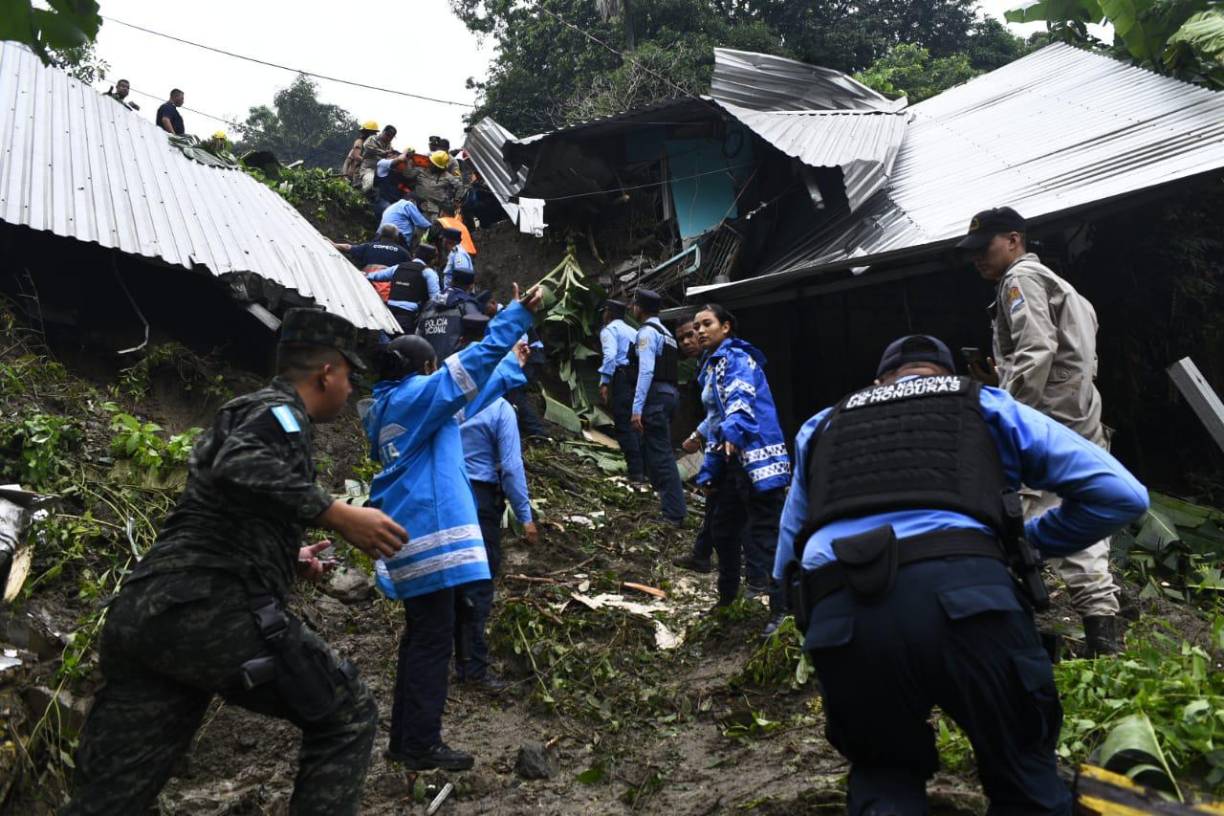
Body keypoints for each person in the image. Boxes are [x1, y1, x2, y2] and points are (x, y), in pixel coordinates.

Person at [775, 334, 1149, 813]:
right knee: (1024, 775)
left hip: (841, 614)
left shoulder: (821, 426)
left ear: (878, 383)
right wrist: (1025, 547)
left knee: (882, 776)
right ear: (949, 376)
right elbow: (1123, 495)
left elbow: (787, 560)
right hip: (969, 599)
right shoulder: (984, 403)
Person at [64, 309, 410, 816]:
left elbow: (217, 506)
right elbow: (240, 465)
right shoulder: (280, 414)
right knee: (348, 713)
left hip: (146, 613)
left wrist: (283, 556)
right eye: (351, 378)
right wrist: (337, 513)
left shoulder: (244, 411)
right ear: (328, 372)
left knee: (113, 794)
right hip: (205, 609)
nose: (352, 390)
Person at [363, 284, 542, 771]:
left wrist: (511, 363)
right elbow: (468, 369)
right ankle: (420, 744)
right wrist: (515, 318)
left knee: (422, 637)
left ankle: (407, 740)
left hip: (409, 537)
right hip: (428, 539)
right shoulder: (415, 398)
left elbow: (470, 391)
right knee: (432, 642)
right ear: (420, 372)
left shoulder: (388, 407)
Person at [958, 206, 1124, 656]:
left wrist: (1008, 414)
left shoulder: (1021, 280)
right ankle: (1104, 623)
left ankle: (1032, 630)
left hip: (1048, 421)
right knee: (1079, 512)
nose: (977, 259)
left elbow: (1036, 350)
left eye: (984, 248)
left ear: (1013, 240)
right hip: (1078, 414)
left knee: (1021, 517)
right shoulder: (1060, 285)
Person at [687, 305, 790, 635]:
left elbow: (741, 399)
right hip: (731, 457)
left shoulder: (737, 359)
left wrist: (733, 431)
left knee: (765, 533)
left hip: (756, 454)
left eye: (708, 324)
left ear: (726, 327)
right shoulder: (712, 364)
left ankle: (781, 611)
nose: (701, 331)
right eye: (697, 326)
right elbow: (718, 413)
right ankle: (728, 599)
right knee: (723, 528)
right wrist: (702, 437)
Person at [456, 318, 539, 690]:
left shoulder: (449, 400)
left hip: (447, 495)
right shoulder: (501, 409)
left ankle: (447, 657)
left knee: (449, 582)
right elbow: (510, 467)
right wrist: (526, 516)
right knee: (478, 584)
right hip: (481, 502)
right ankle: (474, 670)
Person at [629, 288, 687, 526]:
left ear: (639, 309)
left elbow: (647, 370)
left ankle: (674, 513)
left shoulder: (646, 333)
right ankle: (667, 503)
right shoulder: (667, 333)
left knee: (661, 454)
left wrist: (636, 408)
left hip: (655, 396)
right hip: (671, 394)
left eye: (634, 305)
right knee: (656, 450)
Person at [674, 318, 716, 573]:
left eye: (692, 334)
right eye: (682, 338)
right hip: (715, 441)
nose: (689, 341)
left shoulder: (721, 362)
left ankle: (760, 575)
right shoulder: (702, 364)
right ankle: (701, 554)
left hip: (730, 444)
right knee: (715, 500)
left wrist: (698, 434)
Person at [598, 299, 645, 481]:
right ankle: (643, 470)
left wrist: (605, 382)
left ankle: (635, 473)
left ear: (608, 313)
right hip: (636, 379)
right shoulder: (634, 331)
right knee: (636, 425)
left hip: (621, 378)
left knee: (624, 426)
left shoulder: (609, 330)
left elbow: (610, 356)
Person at [364, 244, 440, 334]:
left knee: (385, 342)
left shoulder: (398, 267)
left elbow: (375, 276)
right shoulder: (429, 273)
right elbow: (435, 299)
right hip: (409, 317)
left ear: (414, 255)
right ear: (432, 260)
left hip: (389, 313)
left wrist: (364, 274)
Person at [416, 266, 484, 361]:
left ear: (452, 281)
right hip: (453, 367)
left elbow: (417, 337)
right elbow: (478, 341)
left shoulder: (430, 304)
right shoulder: (467, 305)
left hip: (428, 368)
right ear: (471, 286)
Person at [404, 151, 464, 219]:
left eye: (432, 163)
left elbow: (460, 187)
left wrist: (456, 200)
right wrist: (409, 162)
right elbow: (408, 174)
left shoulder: (448, 177)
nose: (430, 164)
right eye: (430, 162)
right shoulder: (422, 170)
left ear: (438, 167)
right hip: (416, 204)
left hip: (433, 209)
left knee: (430, 226)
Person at [333, 224, 411, 271]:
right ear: (396, 237)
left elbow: (347, 247)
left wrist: (333, 244)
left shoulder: (368, 246)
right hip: (388, 287)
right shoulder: (403, 252)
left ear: (380, 235)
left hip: (367, 282)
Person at [360, 125, 398, 193]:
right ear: (384, 132)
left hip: (382, 171)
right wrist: (384, 152)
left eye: (391, 137)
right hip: (369, 168)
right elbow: (368, 147)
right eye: (388, 135)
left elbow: (389, 157)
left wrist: (393, 156)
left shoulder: (389, 145)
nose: (389, 138)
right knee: (368, 186)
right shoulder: (373, 139)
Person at [439, 226, 475, 292]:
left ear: (449, 240)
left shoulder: (459, 255)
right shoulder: (454, 253)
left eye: (443, 238)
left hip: (457, 297)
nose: (442, 241)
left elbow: (462, 280)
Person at [343, 121, 379, 185]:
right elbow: (349, 161)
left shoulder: (374, 147)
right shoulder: (359, 143)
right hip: (353, 178)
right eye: (364, 132)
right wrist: (344, 176)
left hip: (366, 179)